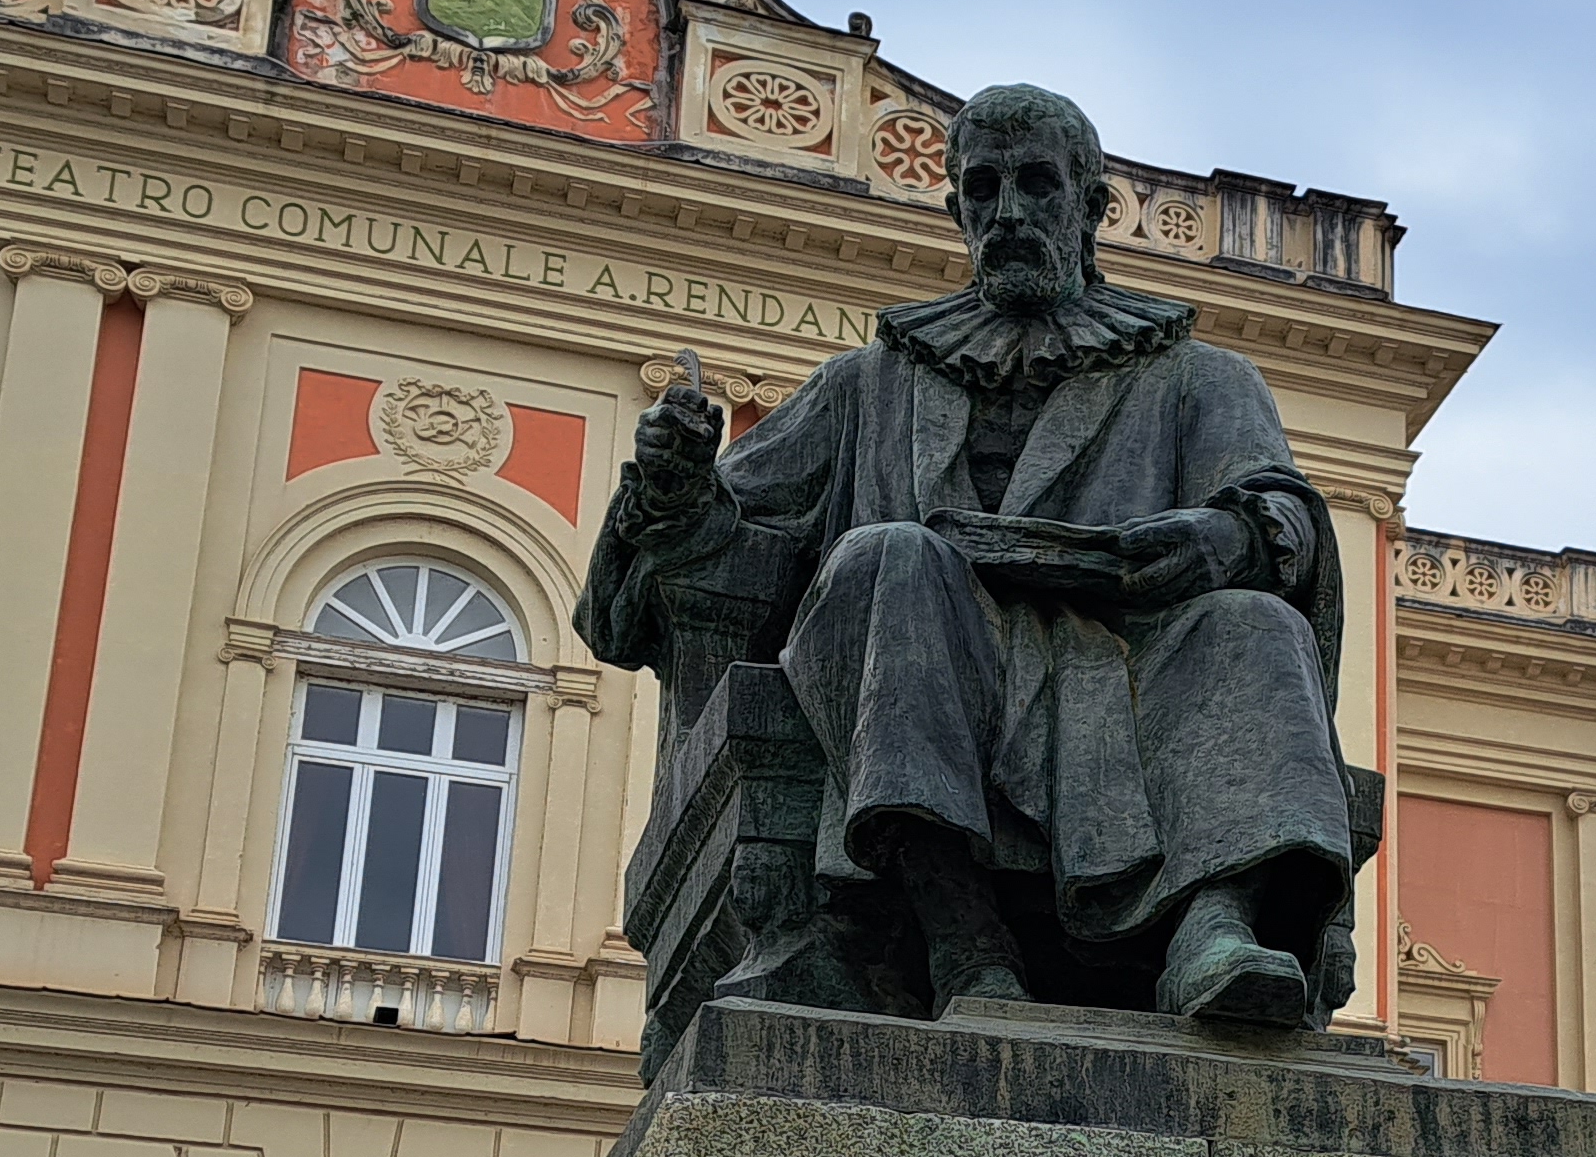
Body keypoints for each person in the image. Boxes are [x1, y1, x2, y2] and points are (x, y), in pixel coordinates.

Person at [580, 83, 1359, 1026]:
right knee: (888, 559)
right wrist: (672, 490)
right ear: (956, 210)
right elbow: (722, 555)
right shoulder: (867, 383)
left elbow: (1284, 518)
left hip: (1130, 658)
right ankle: (961, 941)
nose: (1011, 214)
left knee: (1255, 621)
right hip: (933, 657)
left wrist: (1220, 538)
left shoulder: (1200, 377)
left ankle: (1216, 932)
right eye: (984, 190)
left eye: (1037, 185)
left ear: (1092, 208)